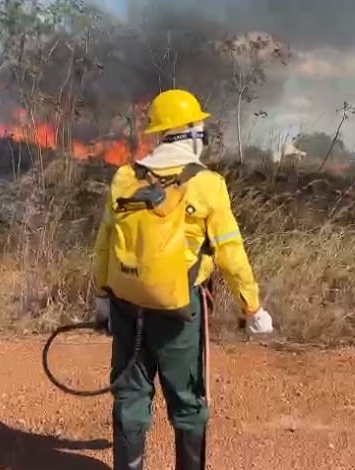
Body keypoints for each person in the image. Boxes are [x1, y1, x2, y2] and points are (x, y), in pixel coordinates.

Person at [92, 88, 273, 470]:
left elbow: (105, 243)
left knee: (129, 394)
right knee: (188, 401)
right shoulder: (207, 184)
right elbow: (231, 253)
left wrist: (103, 299)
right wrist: (251, 306)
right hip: (180, 311)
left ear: (160, 132)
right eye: (200, 128)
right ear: (190, 131)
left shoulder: (126, 177)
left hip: (126, 303)